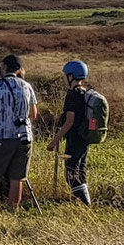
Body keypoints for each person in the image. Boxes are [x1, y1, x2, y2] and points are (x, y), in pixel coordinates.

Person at [0, 55, 36, 208]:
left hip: (2, 137)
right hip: (24, 138)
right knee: (17, 178)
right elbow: (33, 114)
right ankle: (12, 210)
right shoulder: (27, 86)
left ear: (3, 68)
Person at [49, 60, 100, 207]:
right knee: (80, 171)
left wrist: (55, 141)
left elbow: (69, 121)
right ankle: (85, 203)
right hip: (84, 138)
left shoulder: (72, 95)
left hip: (74, 139)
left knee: (71, 173)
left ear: (70, 76)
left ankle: (85, 204)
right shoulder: (85, 92)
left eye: (66, 75)